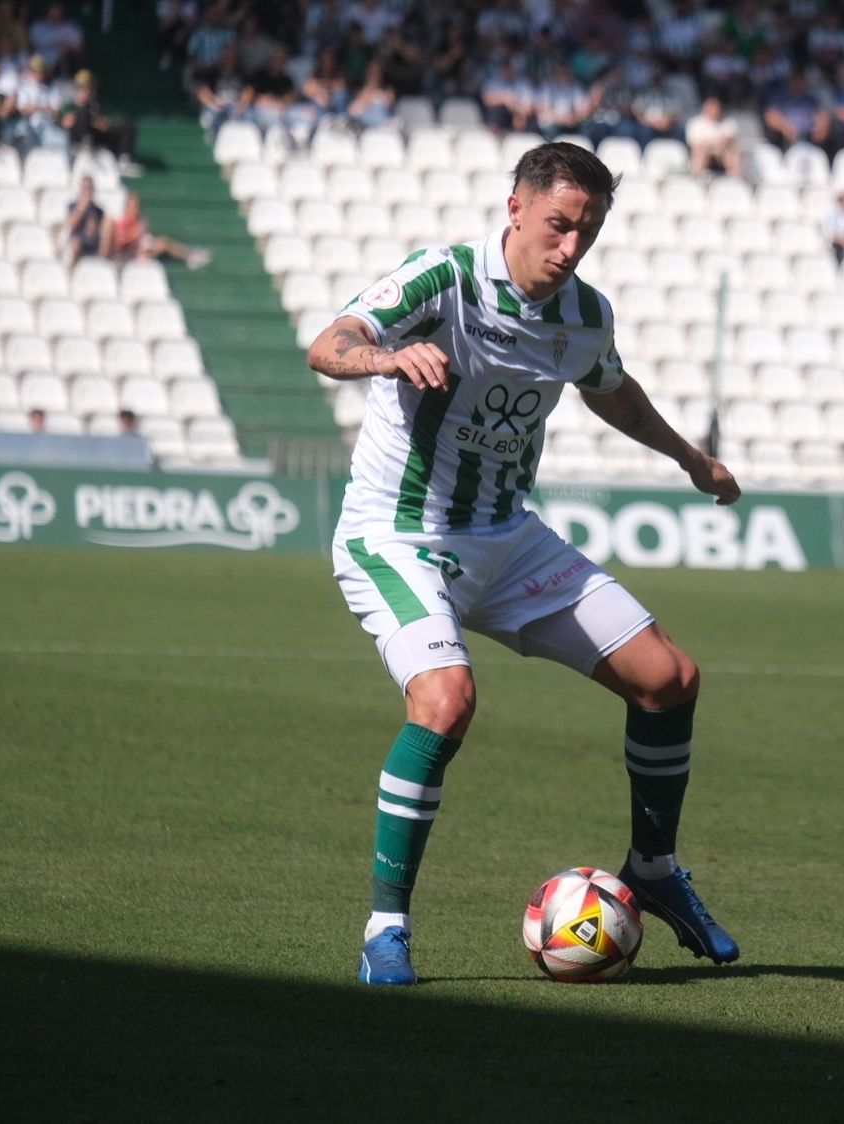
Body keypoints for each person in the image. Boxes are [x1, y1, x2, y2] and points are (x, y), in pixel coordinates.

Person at [304, 142, 742, 986]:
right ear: (516, 207)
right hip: (398, 533)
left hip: (507, 539)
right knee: (445, 702)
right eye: (558, 224)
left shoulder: (584, 313)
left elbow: (610, 388)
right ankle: (386, 929)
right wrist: (387, 357)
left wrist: (692, 460)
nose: (571, 246)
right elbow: (331, 343)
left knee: (668, 678)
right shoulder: (443, 279)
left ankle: (653, 869)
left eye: (588, 231)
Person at [104, 192, 213, 269]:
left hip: (140, 250)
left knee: (163, 242)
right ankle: (188, 256)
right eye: (132, 205)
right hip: (128, 256)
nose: (135, 209)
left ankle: (188, 254)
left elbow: (143, 237)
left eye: (136, 206)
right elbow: (120, 242)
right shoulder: (122, 221)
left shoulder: (139, 220)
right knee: (158, 246)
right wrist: (135, 235)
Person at [62, 174, 105, 268]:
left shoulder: (98, 211)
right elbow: (71, 224)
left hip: (93, 242)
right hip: (77, 240)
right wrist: (82, 207)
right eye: (85, 188)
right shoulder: (72, 206)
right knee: (76, 244)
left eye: (90, 188)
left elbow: (97, 231)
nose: (88, 191)